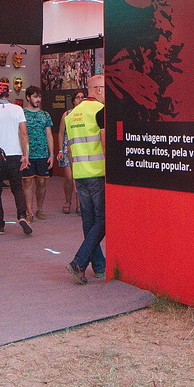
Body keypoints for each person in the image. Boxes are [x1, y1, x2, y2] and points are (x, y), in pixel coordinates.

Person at [65, 74, 106, 284]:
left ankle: (99, 266)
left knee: (89, 223)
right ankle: (79, 262)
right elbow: (105, 142)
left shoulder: (71, 115)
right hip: (98, 173)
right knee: (104, 220)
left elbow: (71, 149)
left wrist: (73, 175)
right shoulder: (100, 110)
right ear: (98, 89)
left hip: (80, 173)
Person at [0, 80, 32, 235]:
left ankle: (0, 225)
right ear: (8, 93)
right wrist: (25, 154)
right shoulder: (17, 109)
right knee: (17, 187)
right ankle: (22, 215)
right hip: (14, 153)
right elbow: (23, 133)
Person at [21, 86, 54, 220]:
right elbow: (19, 134)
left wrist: (51, 154)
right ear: (28, 97)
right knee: (27, 182)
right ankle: (29, 211)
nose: (38, 99)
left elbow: (49, 135)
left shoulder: (45, 115)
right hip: (27, 154)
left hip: (42, 154)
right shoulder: (21, 114)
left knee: (41, 182)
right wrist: (22, 153)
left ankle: (39, 208)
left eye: (39, 97)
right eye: (35, 97)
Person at [56, 90, 85, 214]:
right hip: (67, 147)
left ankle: (80, 204)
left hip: (82, 148)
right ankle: (68, 201)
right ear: (73, 100)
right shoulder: (67, 114)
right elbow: (61, 132)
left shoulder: (86, 114)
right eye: (78, 97)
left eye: (82, 97)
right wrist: (60, 150)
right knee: (69, 177)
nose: (80, 100)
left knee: (80, 178)